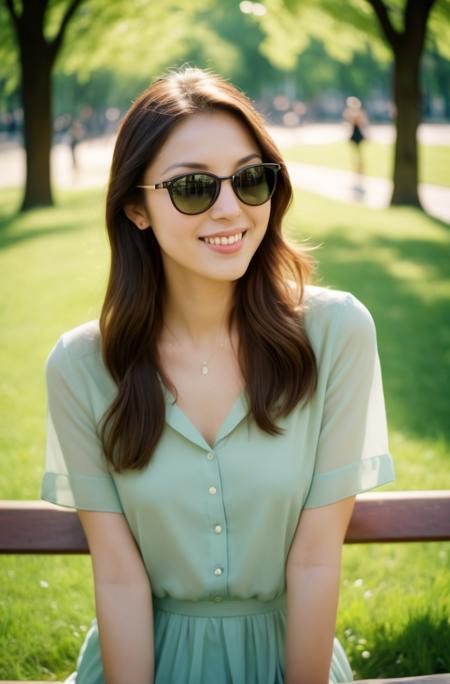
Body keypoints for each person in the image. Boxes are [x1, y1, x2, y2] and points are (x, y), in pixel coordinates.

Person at [41, 66, 395, 684]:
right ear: (136, 208)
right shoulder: (79, 367)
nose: (230, 208)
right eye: (193, 188)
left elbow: (315, 561)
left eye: (250, 178)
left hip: (293, 662)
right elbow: (119, 576)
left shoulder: (338, 332)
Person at [343, 96, 368, 188]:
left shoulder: (359, 112)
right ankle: (356, 174)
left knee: (359, 156)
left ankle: (360, 173)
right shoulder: (349, 112)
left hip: (357, 134)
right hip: (353, 135)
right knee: (354, 156)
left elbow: (363, 123)